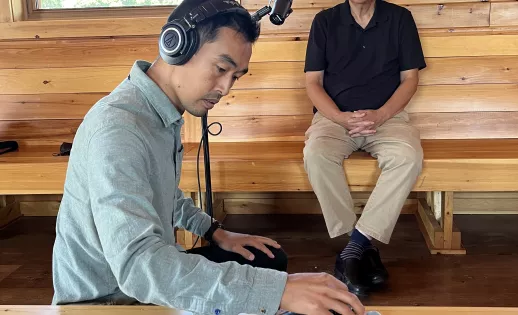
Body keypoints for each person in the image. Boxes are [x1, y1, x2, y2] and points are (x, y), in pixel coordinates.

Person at [51, 0, 366, 314]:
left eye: (236, 76)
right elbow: (138, 266)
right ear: (176, 46)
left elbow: (162, 194)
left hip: (145, 277)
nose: (225, 88)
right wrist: (277, 291)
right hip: (113, 301)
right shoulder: (118, 131)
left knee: (268, 259)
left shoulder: (159, 112)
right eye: (220, 69)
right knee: (275, 288)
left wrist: (216, 233)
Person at [303, 0, 426, 296]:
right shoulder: (325, 21)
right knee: (316, 155)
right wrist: (340, 117)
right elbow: (313, 82)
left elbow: (411, 79)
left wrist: (381, 114)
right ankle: (362, 249)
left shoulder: (400, 18)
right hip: (334, 117)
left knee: (408, 157)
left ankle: (354, 248)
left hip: (388, 116)